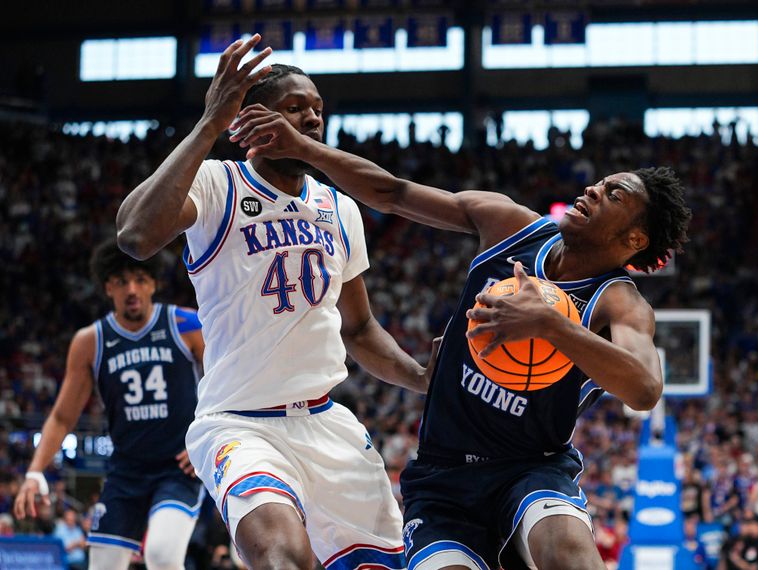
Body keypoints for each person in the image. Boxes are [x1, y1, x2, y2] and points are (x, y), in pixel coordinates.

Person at [229, 108, 692, 570]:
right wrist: (305, 149)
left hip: (532, 468)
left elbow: (645, 389)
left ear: (635, 239)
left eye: (614, 194)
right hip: (443, 477)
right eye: (601, 183)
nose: (593, 189)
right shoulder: (510, 225)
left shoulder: (618, 303)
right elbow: (393, 192)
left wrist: (550, 325)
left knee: (569, 554)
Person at [116, 35, 431, 569]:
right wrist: (210, 123)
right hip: (239, 425)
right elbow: (135, 235)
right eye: (295, 107)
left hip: (326, 424)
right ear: (251, 120)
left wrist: (423, 377)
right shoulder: (217, 184)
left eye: (317, 109)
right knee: (282, 555)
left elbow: (359, 330)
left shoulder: (340, 208)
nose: (312, 117)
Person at [14, 239, 205, 570]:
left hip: (178, 468)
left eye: (140, 280)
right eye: (121, 281)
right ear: (107, 288)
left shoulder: (186, 324)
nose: (131, 289)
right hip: (126, 472)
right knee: (102, 565)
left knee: (162, 555)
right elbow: (61, 417)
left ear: (153, 283)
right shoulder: (91, 341)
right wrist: (34, 472)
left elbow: (226, 381)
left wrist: (205, 438)